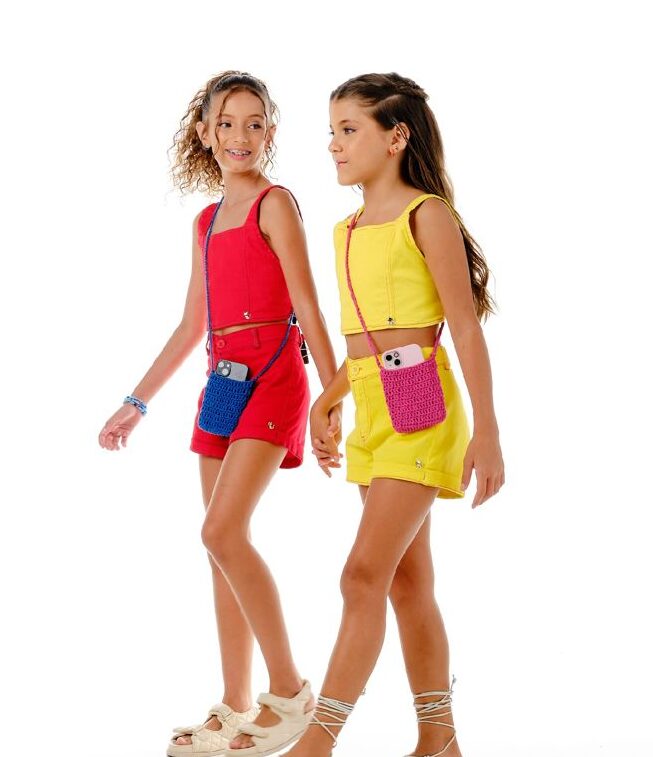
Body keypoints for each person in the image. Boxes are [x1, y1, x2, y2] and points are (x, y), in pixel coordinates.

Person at [98, 71, 340, 757]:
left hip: (274, 375)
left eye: (254, 123)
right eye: (227, 123)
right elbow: (190, 324)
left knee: (222, 529)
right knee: (219, 546)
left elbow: (309, 305)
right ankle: (236, 704)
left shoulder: (275, 204)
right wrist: (136, 403)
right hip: (222, 381)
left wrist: (330, 399)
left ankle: (289, 693)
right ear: (204, 133)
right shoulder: (204, 223)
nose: (241, 135)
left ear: (270, 132)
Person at [279, 72, 505, 757]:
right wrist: (329, 396)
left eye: (349, 130)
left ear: (396, 136)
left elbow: (462, 327)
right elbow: (365, 341)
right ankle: (439, 740)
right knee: (407, 582)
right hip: (373, 410)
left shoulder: (426, 215)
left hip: (423, 406)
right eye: (331, 131)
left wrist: (488, 432)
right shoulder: (344, 230)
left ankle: (318, 741)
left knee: (361, 575)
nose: (334, 144)